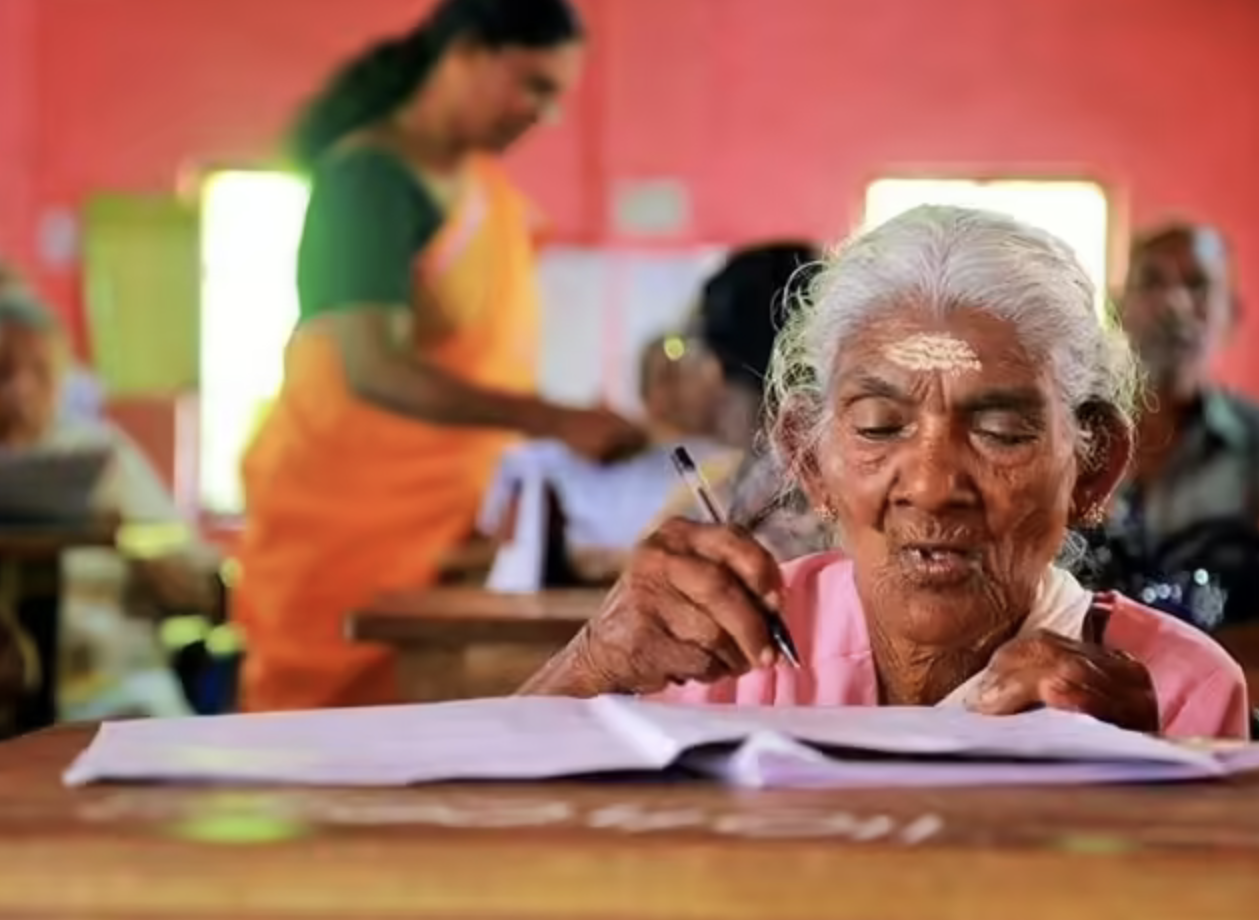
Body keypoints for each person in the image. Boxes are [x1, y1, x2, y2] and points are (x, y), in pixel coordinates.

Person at [521, 206, 1250, 740]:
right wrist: (590, 665)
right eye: (878, 427)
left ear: (1093, 467)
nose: (931, 486)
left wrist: (1145, 774)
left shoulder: (1175, 688)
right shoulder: (720, 648)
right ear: (809, 458)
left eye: (1000, 433)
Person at [234, 0, 642, 712]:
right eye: (533, 85)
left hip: (450, 528)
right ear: (464, 55)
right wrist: (553, 419)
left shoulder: (481, 192)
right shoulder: (368, 183)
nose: (542, 114)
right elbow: (374, 368)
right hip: (348, 528)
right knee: (325, 745)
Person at [0, 287, 222, 719]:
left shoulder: (102, 454)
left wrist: (147, 557)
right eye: (4, 371)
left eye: (39, 372)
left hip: (111, 680)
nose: (21, 389)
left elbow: (197, 575)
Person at [1086, 223, 1259, 631]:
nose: (1174, 305)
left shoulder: (1253, 446)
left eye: (1198, 286)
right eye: (1152, 281)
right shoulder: (1072, 436)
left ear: (1231, 314)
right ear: (1117, 306)